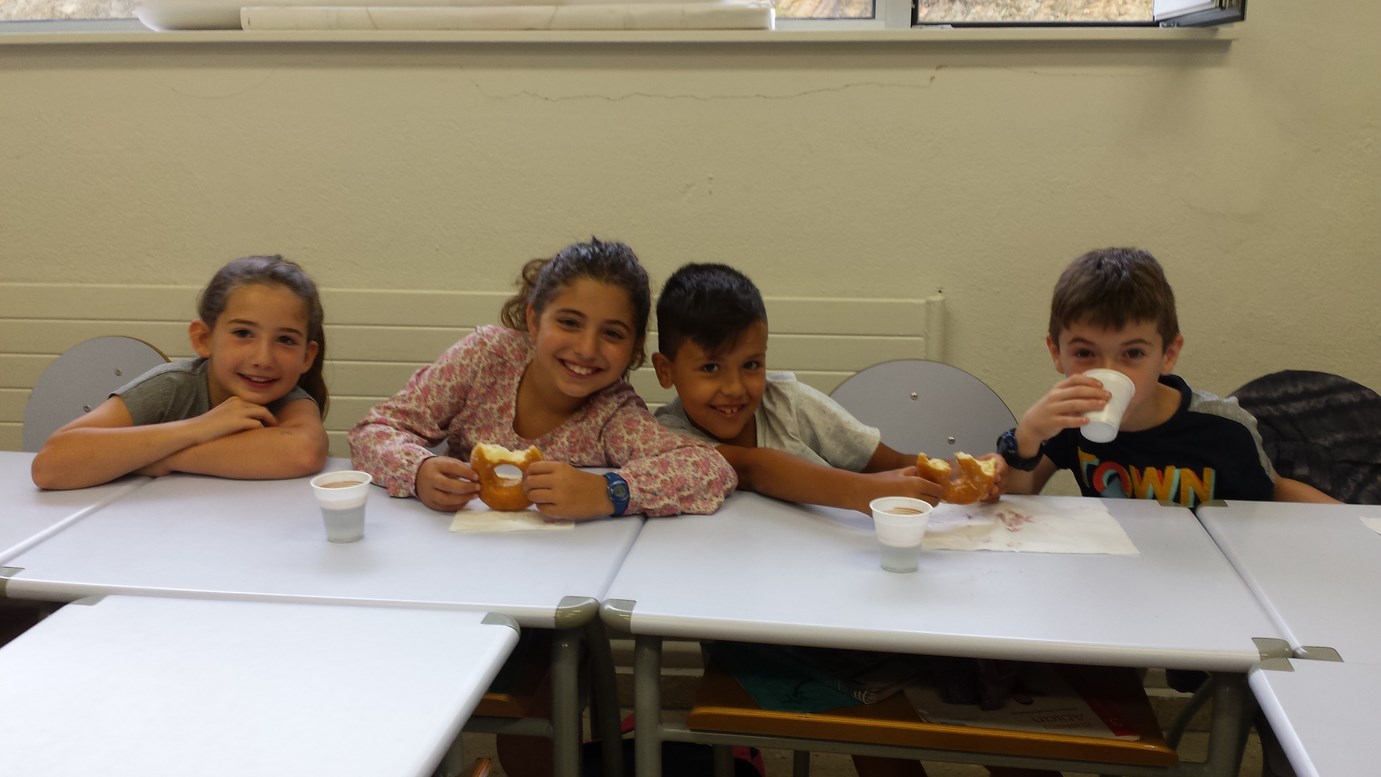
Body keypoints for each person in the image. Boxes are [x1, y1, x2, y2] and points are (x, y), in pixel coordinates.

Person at [348, 238, 736, 520]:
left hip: (562, 574)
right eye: (569, 323)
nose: (586, 348)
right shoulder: (485, 359)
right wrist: (418, 472)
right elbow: (373, 431)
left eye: (612, 333)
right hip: (456, 555)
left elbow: (709, 468)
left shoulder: (613, 414)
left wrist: (609, 492)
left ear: (634, 348)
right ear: (534, 320)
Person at [650, 262, 1004, 514]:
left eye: (751, 365)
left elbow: (892, 463)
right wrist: (860, 493)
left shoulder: (790, 405)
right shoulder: (665, 436)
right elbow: (749, 469)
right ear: (666, 371)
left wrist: (956, 474)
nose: (734, 388)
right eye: (711, 368)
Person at [999, 246, 1336, 506]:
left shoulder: (1223, 428)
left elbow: (1273, 495)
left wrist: (1353, 525)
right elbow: (1017, 499)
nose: (1109, 372)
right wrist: (1027, 436)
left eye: (1133, 353)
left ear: (1168, 354)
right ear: (1057, 353)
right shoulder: (1068, 419)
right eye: (1085, 353)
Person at [31, 254, 330, 490]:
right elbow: (50, 465)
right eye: (243, 333)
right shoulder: (171, 386)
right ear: (203, 338)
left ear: (306, 356)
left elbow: (304, 452)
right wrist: (199, 427)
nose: (263, 358)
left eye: (285, 340)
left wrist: (163, 459)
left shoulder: (289, 400)